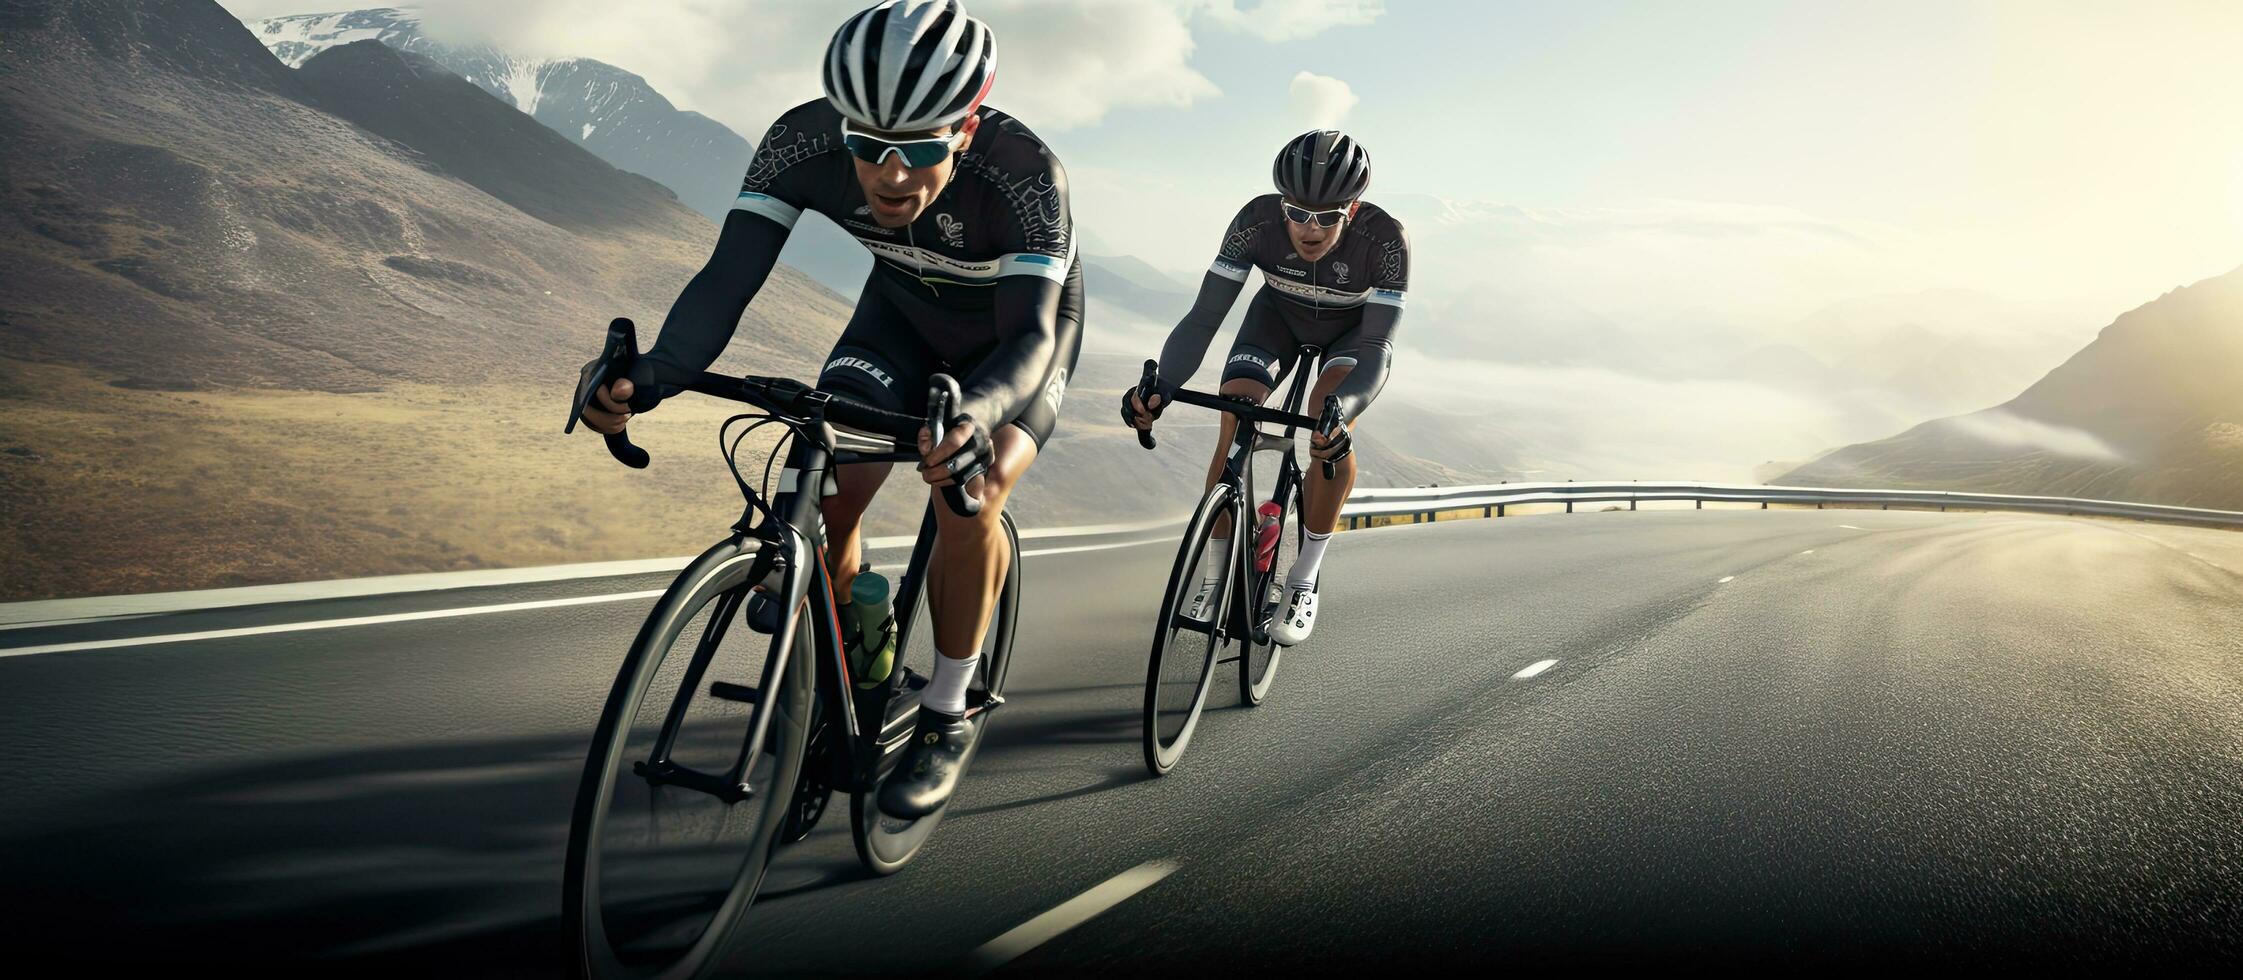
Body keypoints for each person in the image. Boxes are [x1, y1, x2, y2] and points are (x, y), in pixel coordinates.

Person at [578, 0, 1081, 818]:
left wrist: (978, 418)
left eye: (920, 149)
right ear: (841, 124)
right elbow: (726, 279)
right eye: (868, 145)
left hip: (1013, 342)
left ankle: (948, 710)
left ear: (964, 130)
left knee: (972, 494)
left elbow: (1028, 337)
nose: (891, 175)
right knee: (827, 485)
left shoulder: (1024, 176)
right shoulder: (801, 140)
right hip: (897, 322)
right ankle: (851, 652)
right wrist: (655, 374)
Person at [1122, 130, 1408, 646]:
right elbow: (1205, 317)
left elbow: (1378, 345)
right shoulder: (1255, 221)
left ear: (1352, 209)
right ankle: (1217, 572)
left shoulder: (1385, 240)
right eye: (1297, 212)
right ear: (1281, 204)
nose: (1309, 228)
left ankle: (1304, 577)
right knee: (1235, 410)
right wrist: (1163, 385)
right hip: (1276, 319)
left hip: (1352, 334)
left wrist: (1343, 412)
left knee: (1325, 417)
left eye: (1327, 217)